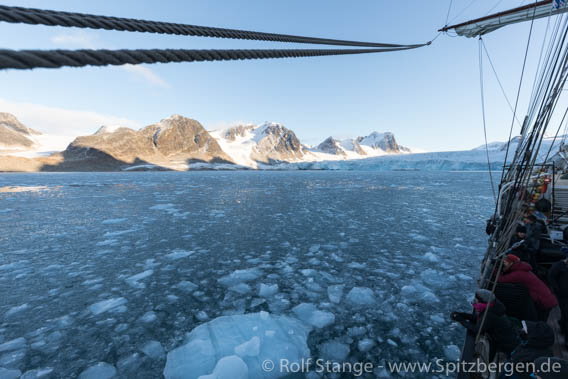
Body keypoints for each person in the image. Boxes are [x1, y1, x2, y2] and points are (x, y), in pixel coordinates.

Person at [451, 289, 519, 357]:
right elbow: (479, 318)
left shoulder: (489, 314)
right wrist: (462, 315)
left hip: (506, 344)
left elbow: (478, 329)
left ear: (482, 303)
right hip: (511, 336)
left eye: (475, 301)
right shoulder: (493, 306)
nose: (474, 303)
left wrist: (461, 320)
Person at [498, 254, 558, 321]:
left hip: (545, 302)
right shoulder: (522, 269)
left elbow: (501, 280)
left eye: (505, 263)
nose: (503, 264)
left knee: (538, 322)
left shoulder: (519, 274)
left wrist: (496, 270)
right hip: (546, 299)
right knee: (539, 320)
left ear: (511, 263)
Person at [548, 248, 568, 346]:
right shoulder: (559, 266)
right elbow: (551, 276)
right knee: (566, 312)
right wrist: (556, 289)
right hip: (563, 294)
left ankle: (563, 325)